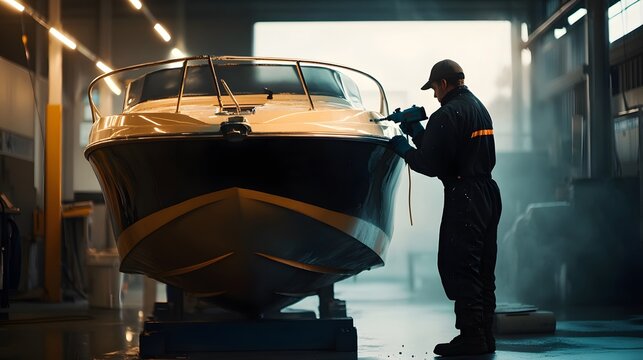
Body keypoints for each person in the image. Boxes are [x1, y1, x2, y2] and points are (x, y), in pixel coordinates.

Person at [389, 59, 502, 356]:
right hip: (488, 193)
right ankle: (485, 336)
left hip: (465, 195)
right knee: (482, 268)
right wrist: (416, 130)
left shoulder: (446, 114)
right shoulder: (478, 108)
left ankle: (471, 339)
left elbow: (430, 163)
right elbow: (449, 149)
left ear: (442, 84)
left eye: (434, 90)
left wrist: (403, 151)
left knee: (461, 266)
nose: (434, 97)